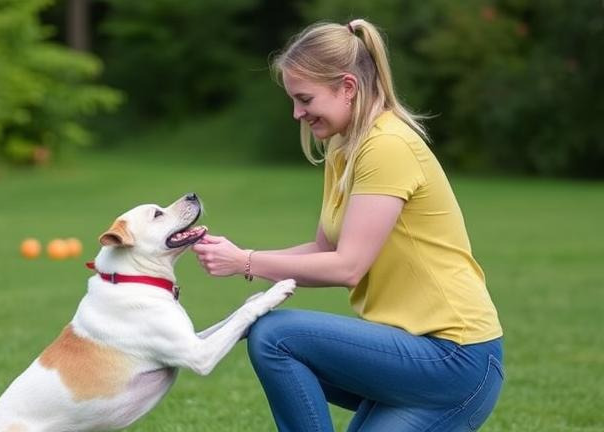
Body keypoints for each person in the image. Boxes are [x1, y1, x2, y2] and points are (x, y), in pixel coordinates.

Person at [191, 19, 504, 431]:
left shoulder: (387, 145)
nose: (297, 113)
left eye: (305, 99)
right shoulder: (345, 146)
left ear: (348, 88)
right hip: (416, 356)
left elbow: (347, 266)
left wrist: (246, 261)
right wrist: (236, 255)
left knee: (275, 334)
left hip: (454, 357)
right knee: (272, 334)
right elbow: (324, 250)